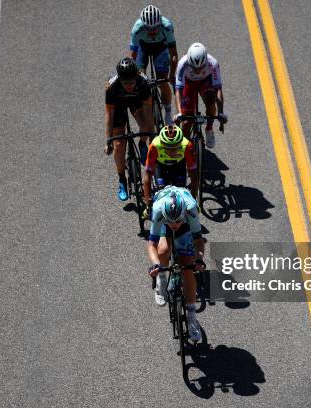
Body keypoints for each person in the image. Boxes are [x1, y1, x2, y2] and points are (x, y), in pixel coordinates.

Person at [147, 186, 206, 342]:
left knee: (187, 267)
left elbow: (198, 240)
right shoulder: (159, 210)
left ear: (184, 214)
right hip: (163, 225)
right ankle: (162, 282)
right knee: (163, 250)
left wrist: (199, 260)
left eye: (177, 221)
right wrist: (155, 266)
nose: (174, 224)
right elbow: (151, 245)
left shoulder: (191, 209)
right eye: (170, 221)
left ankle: (192, 317)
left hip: (186, 227)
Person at [105, 57, 154, 201]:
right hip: (117, 106)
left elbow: (148, 111)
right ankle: (122, 180)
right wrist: (108, 140)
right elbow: (109, 114)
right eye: (125, 82)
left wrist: (151, 136)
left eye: (131, 82)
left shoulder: (143, 83)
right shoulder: (112, 87)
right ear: (120, 79)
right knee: (119, 145)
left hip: (136, 101)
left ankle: (142, 143)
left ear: (136, 77)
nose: (128, 85)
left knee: (145, 126)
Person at [129, 5, 178, 125]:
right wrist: (135, 76)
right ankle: (146, 107)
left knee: (163, 81)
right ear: (143, 25)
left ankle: (167, 112)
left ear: (159, 23)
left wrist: (172, 74)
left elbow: (174, 54)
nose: (152, 31)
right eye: (148, 28)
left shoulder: (167, 26)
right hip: (143, 49)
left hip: (161, 49)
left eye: (155, 28)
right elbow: (133, 56)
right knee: (140, 80)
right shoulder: (137, 29)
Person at [174, 42, 228, 148]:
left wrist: (221, 112)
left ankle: (209, 129)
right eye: (194, 67)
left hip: (205, 81)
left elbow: (218, 89)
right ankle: (187, 148)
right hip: (189, 82)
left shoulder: (213, 63)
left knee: (211, 101)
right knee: (185, 122)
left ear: (205, 61)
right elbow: (178, 90)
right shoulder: (182, 63)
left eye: (201, 67)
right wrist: (180, 113)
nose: (197, 70)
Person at [143, 125, 198, 210]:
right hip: (161, 167)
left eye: (175, 147)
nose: (171, 151)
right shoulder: (154, 146)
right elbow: (148, 174)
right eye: (167, 147)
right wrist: (148, 201)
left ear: (180, 142)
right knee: (162, 194)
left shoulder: (187, 145)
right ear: (162, 143)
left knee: (180, 195)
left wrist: (194, 200)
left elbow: (193, 173)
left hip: (179, 166)